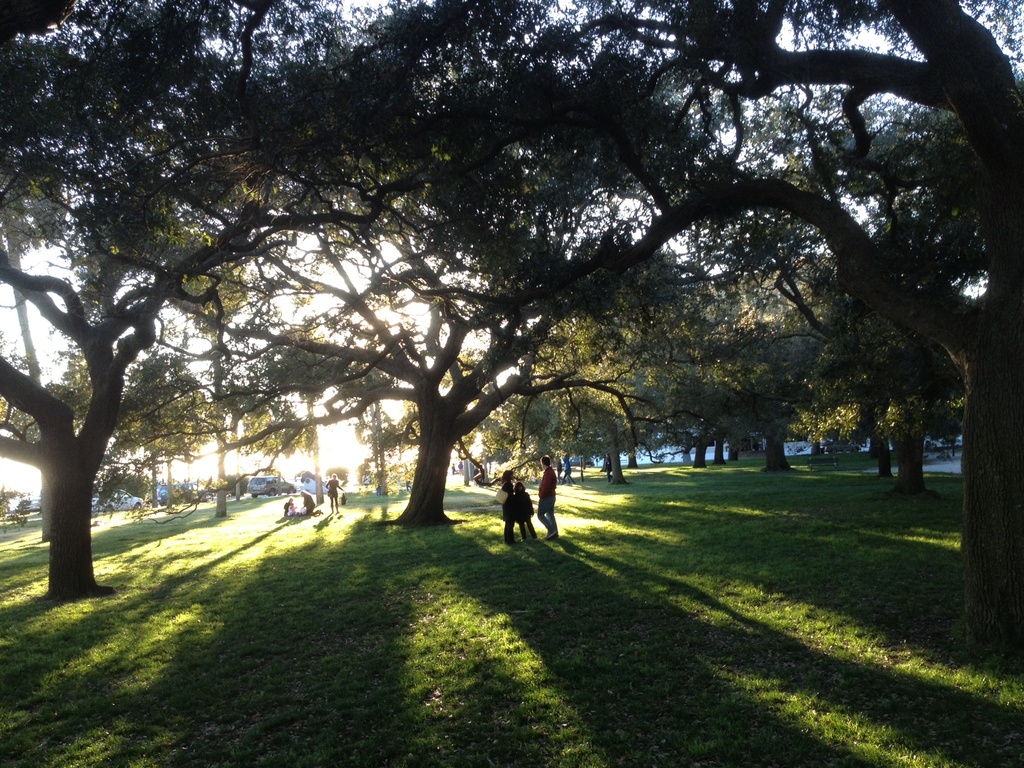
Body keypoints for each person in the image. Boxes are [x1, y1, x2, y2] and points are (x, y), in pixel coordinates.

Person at [536, 454, 559, 540]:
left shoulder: (548, 473)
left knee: (540, 515)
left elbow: (546, 486)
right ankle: (554, 533)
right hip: (551, 495)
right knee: (550, 514)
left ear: (543, 463)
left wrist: (541, 495)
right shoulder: (550, 471)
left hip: (547, 496)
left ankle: (552, 530)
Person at [499, 470, 517, 544]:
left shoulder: (505, 483)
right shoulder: (509, 484)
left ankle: (507, 539)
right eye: (512, 475)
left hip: (506, 506)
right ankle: (510, 540)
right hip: (509, 506)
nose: (513, 476)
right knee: (510, 523)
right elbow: (510, 496)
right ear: (509, 476)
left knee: (508, 523)